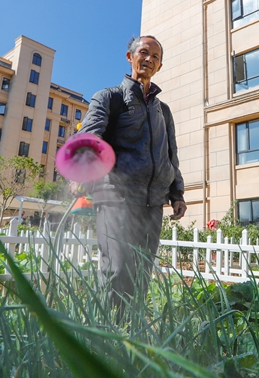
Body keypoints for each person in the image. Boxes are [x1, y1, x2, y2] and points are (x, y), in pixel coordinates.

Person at [77, 35, 187, 312]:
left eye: (155, 57)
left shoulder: (163, 111)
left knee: (141, 273)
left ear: (159, 66)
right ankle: (107, 338)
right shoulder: (109, 98)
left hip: (153, 202)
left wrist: (177, 193)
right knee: (117, 269)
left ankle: (131, 333)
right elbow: (91, 136)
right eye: (144, 53)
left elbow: (170, 154)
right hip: (117, 197)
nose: (149, 59)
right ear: (130, 57)